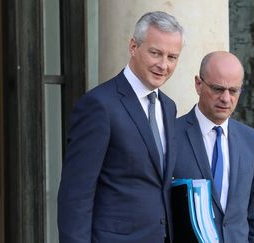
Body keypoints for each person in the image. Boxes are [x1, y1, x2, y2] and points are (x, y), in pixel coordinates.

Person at [57, 11, 184, 243]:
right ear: (133, 46)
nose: (163, 65)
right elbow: (75, 194)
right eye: (155, 53)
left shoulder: (168, 107)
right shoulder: (99, 105)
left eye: (172, 57)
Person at [173, 51, 254, 243]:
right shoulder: (171, 135)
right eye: (218, 89)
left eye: (233, 91)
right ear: (198, 84)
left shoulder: (252, 140)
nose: (226, 98)